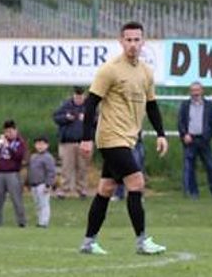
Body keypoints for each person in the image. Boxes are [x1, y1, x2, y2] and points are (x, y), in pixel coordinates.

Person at [79, 21, 168, 256]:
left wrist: (161, 134)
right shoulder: (110, 69)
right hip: (111, 137)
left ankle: (88, 242)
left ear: (143, 42)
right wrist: (86, 138)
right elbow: (91, 103)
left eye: (137, 40)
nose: (133, 44)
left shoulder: (146, 71)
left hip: (129, 139)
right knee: (136, 182)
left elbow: (152, 105)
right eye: (128, 40)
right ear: (121, 41)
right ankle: (142, 242)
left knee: (106, 188)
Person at [177, 81, 212, 200]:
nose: (195, 93)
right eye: (193, 91)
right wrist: (184, 134)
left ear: (202, 91)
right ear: (190, 92)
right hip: (190, 140)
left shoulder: (208, 105)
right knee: (190, 168)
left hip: (204, 140)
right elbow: (180, 122)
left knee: (211, 167)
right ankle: (193, 192)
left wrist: (208, 136)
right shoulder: (185, 105)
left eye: (197, 90)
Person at [52, 86, 89, 199]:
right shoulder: (66, 105)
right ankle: (64, 189)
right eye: (77, 97)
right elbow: (56, 117)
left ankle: (82, 189)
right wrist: (66, 118)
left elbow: (98, 120)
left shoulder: (89, 106)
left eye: (80, 97)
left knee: (82, 167)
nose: (78, 99)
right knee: (66, 167)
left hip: (84, 142)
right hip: (67, 142)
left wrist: (87, 118)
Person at [0, 120, 26, 228]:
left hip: (13, 173)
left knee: (16, 199)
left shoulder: (20, 143)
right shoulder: (1, 142)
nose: (8, 134)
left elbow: (19, 156)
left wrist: (8, 147)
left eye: (10, 131)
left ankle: (21, 222)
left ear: (15, 131)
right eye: (6, 132)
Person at [27, 136, 56, 228]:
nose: (40, 146)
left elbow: (51, 172)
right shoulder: (33, 157)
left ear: (47, 145)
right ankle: (40, 220)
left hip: (42, 184)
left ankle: (44, 222)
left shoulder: (48, 157)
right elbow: (30, 170)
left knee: (44, 203)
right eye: (38, 144)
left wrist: (48, 184)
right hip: (34, 184)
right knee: (37, 204)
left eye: (42, 144)